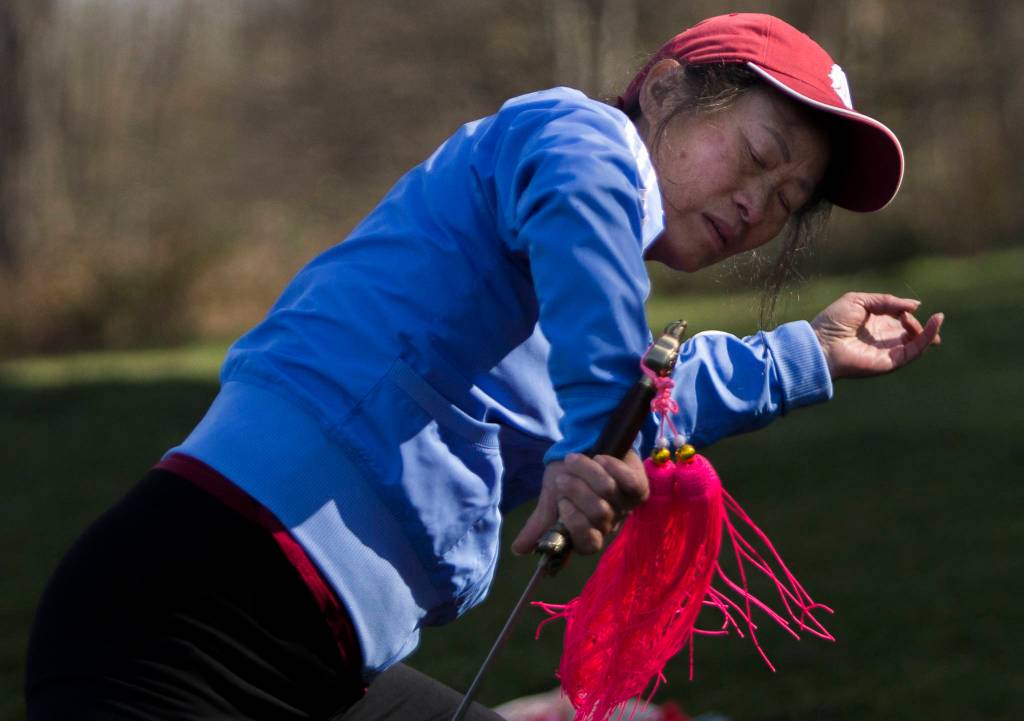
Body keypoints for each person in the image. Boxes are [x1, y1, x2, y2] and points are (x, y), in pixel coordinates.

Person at [26, 12, 943, 721]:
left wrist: (809, 350)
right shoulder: (571, 137)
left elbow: (648, 383)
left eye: (786, 201)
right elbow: (604, 340)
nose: (756, 204)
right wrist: (595, 436)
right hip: (185, 613)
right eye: (756, 156)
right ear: (664, 91)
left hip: (313, 658)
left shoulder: (573, 300)